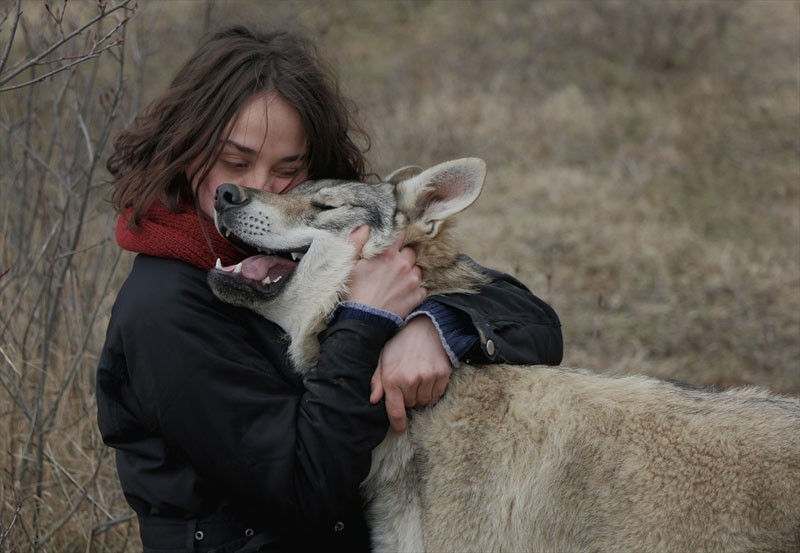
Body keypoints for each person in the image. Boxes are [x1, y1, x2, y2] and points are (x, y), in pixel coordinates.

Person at [96, 25, 562, 553]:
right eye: (235, 161)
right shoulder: (165, 311)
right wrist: (366, 320)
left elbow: (534, 322)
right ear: (188, 149)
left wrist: (436, 329)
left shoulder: (311, 242)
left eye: (289, 170)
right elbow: (302, 489)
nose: (260, 188)